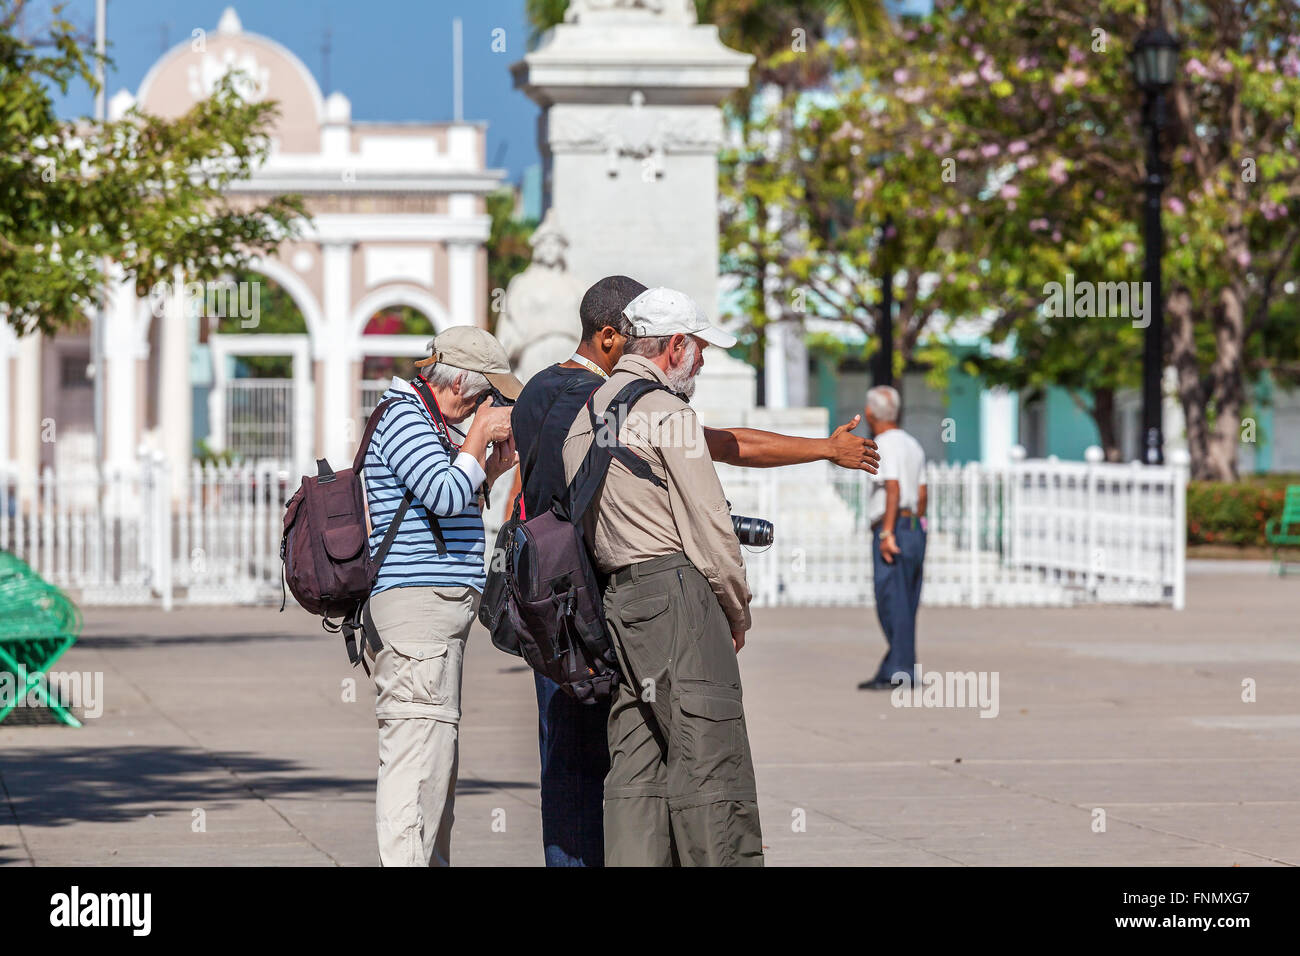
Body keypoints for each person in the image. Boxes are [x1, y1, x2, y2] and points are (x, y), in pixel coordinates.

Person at [511, 275, 881, 867]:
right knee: (711, 762)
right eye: (700, 348)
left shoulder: (591, 414)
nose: (703, 361)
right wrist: (735, 609)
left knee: (636, 767)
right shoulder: (666, 411)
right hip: (675, 595)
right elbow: (711, 525)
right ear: (673, 344)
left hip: (617, 605)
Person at [363, 326, 520, 866]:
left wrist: (490, 467)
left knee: (436, 768)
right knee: (415, 766)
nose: (493, 407)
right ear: (459, 387)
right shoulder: (404, 415)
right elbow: (444, 493)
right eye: (488, 397)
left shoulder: (433, 420)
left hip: (436, 615)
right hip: (413, 615)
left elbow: (455, 493)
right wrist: (477, 438)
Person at [857, 385, 928, 691]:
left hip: (892, 528)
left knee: (890, 600)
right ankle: (899, 666)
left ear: (871, 412)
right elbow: (922, 492)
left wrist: (887, 532)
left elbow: (893, 487)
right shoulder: (912, 444)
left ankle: (898, 670)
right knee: (906, 602)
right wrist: (918, 524)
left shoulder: (883, 443)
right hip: (912, 526)